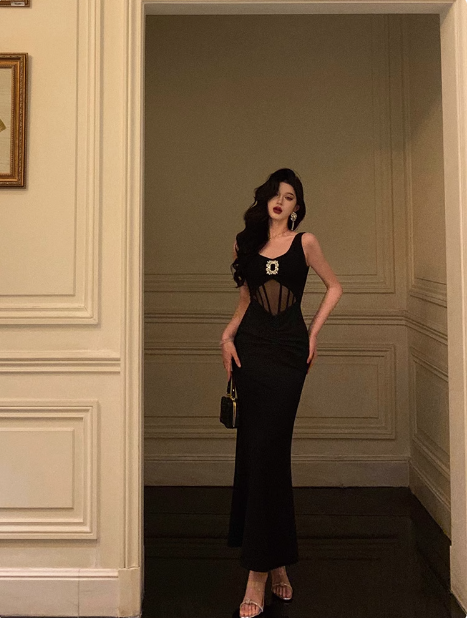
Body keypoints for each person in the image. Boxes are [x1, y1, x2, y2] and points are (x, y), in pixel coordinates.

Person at [220, 168, 343, 617]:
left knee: (270, 452)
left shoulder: (305, 243)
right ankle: (272, 567)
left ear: (297, 207)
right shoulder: (246, 244)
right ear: (266, 199)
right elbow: (246, 301)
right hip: (251, 351)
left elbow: (335, 287)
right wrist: (227, 336)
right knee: (258, 454)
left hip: (290, 354)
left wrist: (313, 334)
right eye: (275, 194)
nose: (280, 201)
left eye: (289, 196)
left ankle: (260, 570)